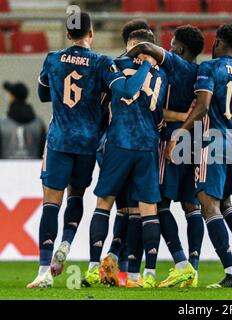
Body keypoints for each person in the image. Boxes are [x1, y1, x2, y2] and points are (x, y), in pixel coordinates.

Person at [27, 12, 154, 289]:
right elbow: (126, 90)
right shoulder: (101, 63)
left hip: (59, 139)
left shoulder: (52, 58)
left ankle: (43, 271)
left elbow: (42, 94)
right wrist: (145, 65)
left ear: (68, 34)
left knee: (51, 203)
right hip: (87, 143)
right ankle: (66, 242)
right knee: (76, 197)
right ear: (91, 34)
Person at [165, 24, 232, 288]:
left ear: (217, 42)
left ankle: (231, 272)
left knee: (208, 206)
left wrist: (178, 136)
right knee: (226, 202)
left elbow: (203, 107)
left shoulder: (209, 68)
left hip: (213, 144)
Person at [83, 29, 168, 289]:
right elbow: (160, 117)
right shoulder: (162, 74)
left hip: (120, 142)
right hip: (147, 145)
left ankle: (93, 268)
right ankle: (142, 275)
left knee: (105, 203)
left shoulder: (116, 64)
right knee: (144, 209)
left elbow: (125, 91)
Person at [126, 24, 205, 288]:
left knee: (159, 206)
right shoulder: (200, 71)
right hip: (195, 141)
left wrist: (130, 54)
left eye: (172, 44)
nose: (169, 47)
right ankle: (193, 268)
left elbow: (149, 49)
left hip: (170, 139)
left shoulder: (177, 65)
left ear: (180, 48)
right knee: (192, 206)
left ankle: (181, 263)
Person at [0, 81, 46, 159]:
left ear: (12, 97)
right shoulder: (39, 124)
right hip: (33, 169)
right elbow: (43, 152)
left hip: (5, 169)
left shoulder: (2, 124)